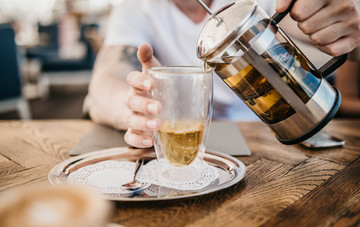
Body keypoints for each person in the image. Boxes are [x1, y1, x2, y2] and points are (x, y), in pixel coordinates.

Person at [87, 0, 360, 148]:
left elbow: (325, 27)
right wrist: (137, 105)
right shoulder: (136, 9)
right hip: (185, 138)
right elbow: (106, 80)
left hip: (268, 142)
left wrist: (350, 25)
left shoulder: (256, 4)